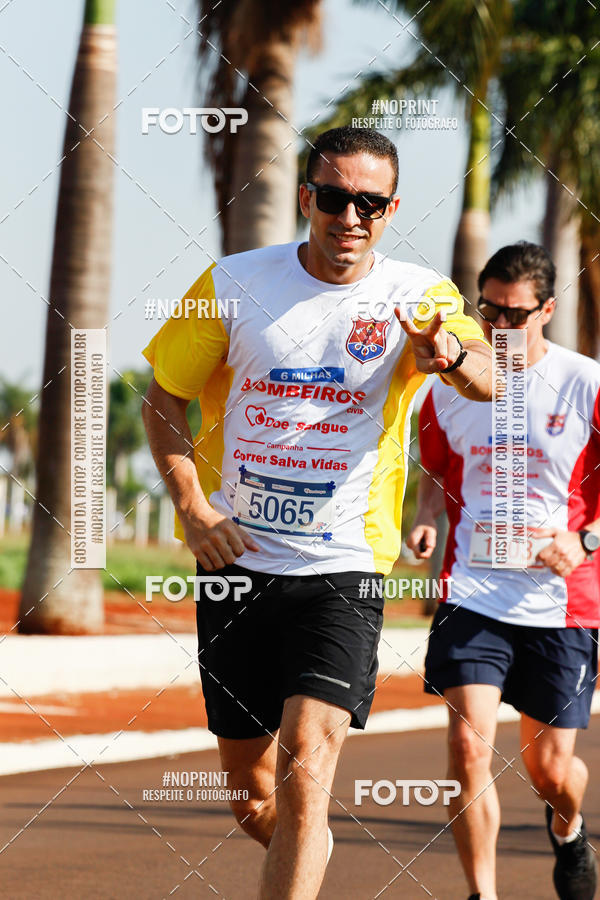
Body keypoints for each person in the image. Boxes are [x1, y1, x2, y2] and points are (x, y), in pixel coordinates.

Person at [142, 125, 492, 900]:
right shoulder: (235, 282)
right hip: (234, 564)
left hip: (345, 567)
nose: (351, 216)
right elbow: (163, 396)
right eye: (335, 197)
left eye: (370, 202)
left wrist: (453, 358)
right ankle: (308, 849)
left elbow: (490, 380)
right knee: (253, 795)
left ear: (391, 209)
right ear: (308, 198)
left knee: (308, 751)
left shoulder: (421, 298)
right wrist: (193, 508)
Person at [408, 241, 600, 900]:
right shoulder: (451, 385)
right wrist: (428, 514)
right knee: (467, 754)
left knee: (549, 770)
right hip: (474, 591)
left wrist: (586, 539)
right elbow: (435, 470)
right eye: (488, 309)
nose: (498, 326)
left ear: (547, 309)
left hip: (562, 602)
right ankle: (481, 894)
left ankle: (569, 826)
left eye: (514, 314)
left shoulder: (585, 383)